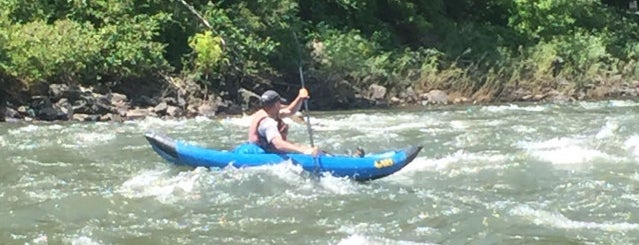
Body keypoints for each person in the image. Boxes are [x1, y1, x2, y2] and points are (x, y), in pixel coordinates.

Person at [234, 88, 320, 155]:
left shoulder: (265, 112)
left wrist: (300, 98)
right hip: (259, 153)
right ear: (276, 104)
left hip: (256, 148)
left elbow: (290, 111)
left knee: (297, 145)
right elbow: (278, 144)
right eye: (279, 103)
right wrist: (304, 150)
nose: (281, 105)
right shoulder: (267, 123)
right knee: (300, 148)